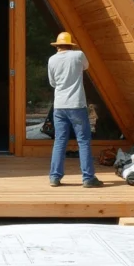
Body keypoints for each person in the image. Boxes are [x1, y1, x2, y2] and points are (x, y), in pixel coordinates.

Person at [47, 32, 102, 188]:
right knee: (83, 141)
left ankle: (54, 177)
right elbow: (86, 67)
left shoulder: (51, 60)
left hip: (59, 106)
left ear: (57, 45)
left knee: (59, 142)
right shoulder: (78, 55)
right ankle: (88, 178)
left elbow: (53, 83)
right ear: (71, 45)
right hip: (77, 104)